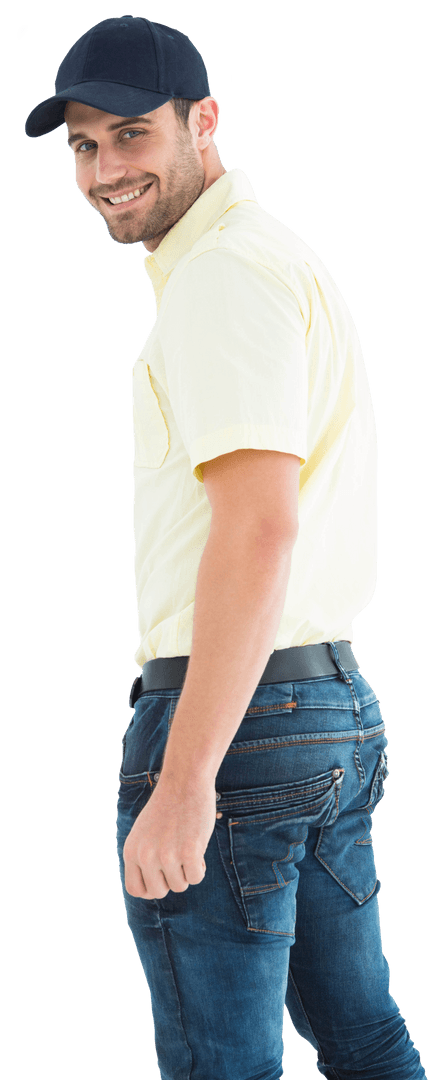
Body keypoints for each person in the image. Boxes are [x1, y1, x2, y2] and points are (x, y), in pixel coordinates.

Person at [25, 15, 426, 1080]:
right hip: (322, 709)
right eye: (82, 146)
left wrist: (186, 778)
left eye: (129, 134)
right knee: (361, 1035)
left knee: (222, 1064)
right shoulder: (264, 261)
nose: (105, 170)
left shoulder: (221, 278)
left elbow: (258, 524)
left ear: (202, 121)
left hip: (238, 723)